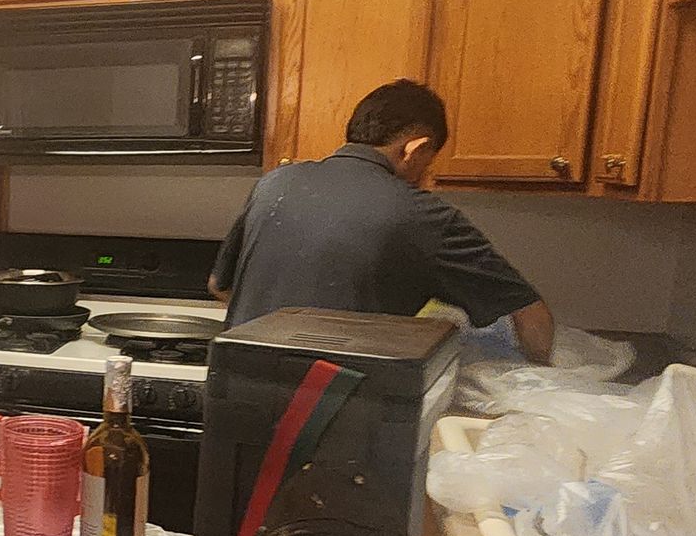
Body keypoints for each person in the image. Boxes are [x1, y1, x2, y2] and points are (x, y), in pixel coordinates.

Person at [207, 80, 555, 362]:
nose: (425, 174)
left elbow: (219, 286)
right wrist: (539, 378)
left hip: (236, 391)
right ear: (415, 148)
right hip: (334, 410)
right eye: (427, 161)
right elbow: (529, 313)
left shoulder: (274, 183)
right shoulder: (425, 216)